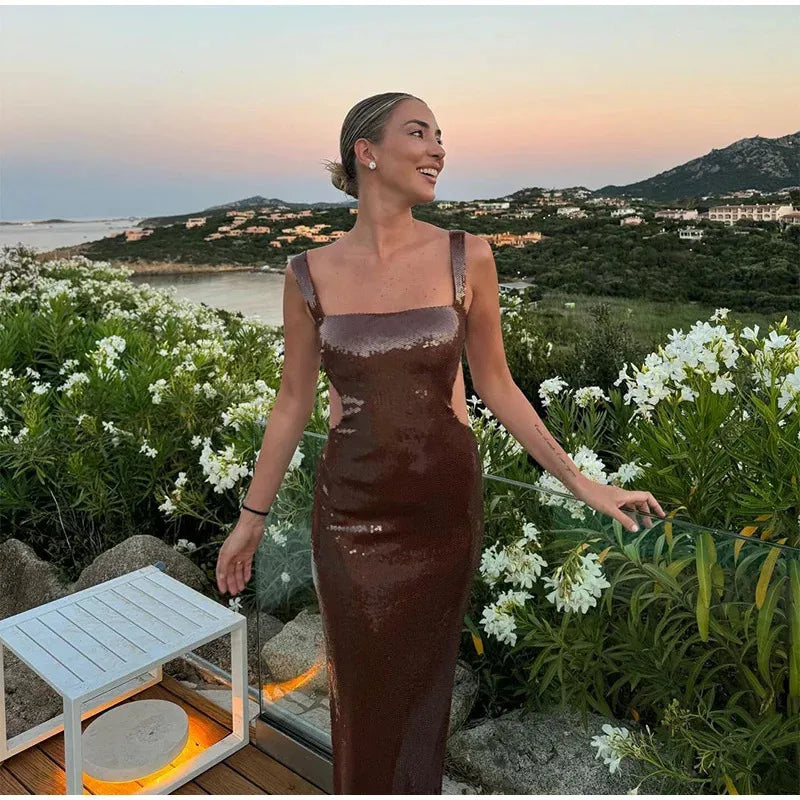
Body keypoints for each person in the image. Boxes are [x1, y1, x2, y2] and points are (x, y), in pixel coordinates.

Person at [216, 91, 666, 793]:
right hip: (349, 518)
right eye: (419, 133)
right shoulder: (308, 273)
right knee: (361, 690)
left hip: (441, 514)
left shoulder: (467, 257)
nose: (438, 149)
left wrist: (581, 481)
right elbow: (291, 404)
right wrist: (252, 519)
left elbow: (499, 386)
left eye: (440, 137)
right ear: (366, 152)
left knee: (422, 693)